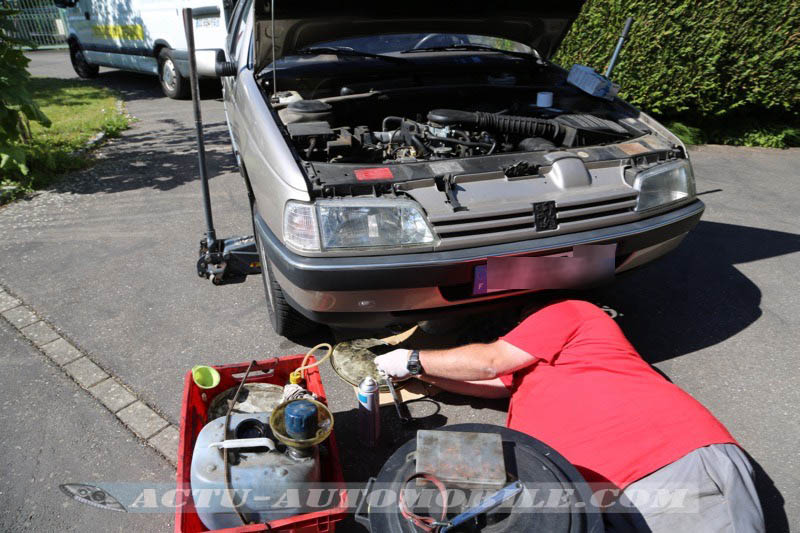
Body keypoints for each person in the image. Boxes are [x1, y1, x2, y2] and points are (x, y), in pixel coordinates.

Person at [374, 299, 765, 532]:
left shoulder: (571, 312)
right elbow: (487, 381)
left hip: (662, 463)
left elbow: (489, 362)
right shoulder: (530, 377)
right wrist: (421, 372)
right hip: (594, 500)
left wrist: (412, 357)